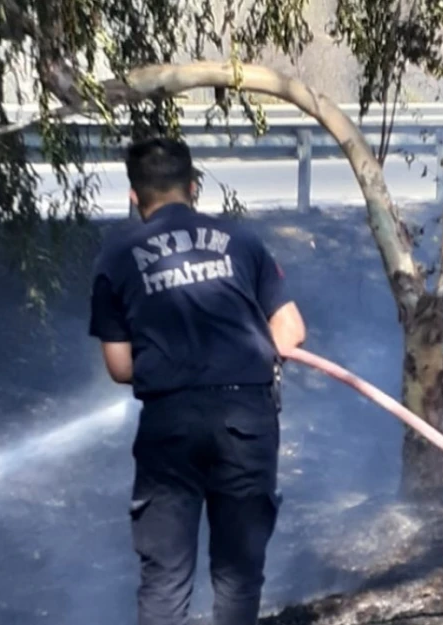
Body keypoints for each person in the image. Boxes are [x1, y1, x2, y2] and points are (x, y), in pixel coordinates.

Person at [87, 136, 307, 625]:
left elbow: (120, 366)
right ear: (194, 187)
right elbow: (291, 331)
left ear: (133, 196)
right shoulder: (243, 241)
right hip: (246, 422)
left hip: (170, 426)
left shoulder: (116, 257)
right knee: (238, 575)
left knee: (164, 579)